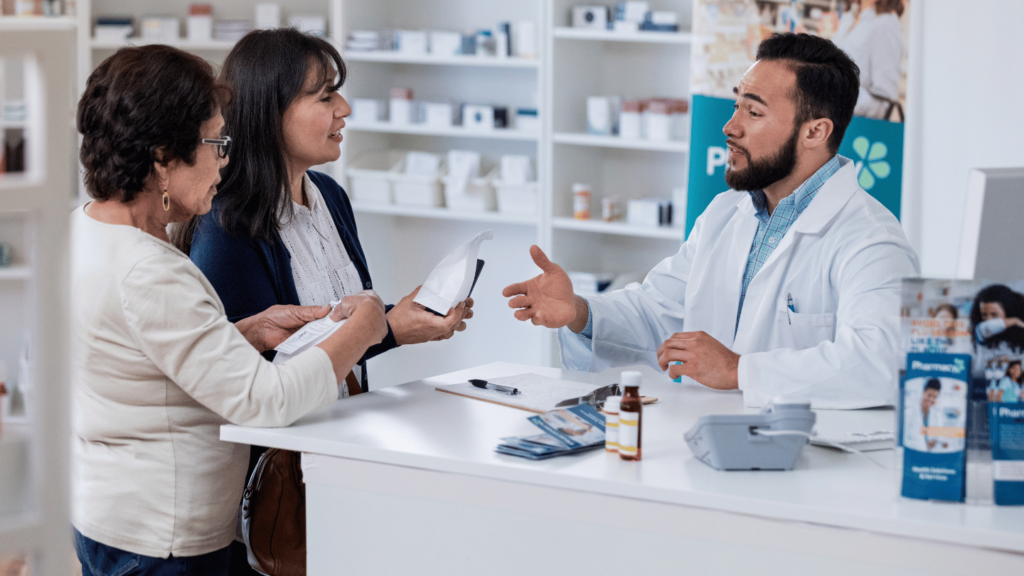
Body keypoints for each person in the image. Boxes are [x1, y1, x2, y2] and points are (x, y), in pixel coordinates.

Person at [71, 45, 387, 574]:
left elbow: (146, 363)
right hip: (164, 540)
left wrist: (245, 333)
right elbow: (265, 401)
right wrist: (365, 328)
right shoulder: (153, 271)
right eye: (216, 143)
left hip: (111, 517)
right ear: (162, 158)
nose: (224, 159)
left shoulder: (85, 231)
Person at [170, 28, 473, 573]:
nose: (345, 109)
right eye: (325, 96)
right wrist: (384, 329)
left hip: (341, 453)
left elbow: (338, 349)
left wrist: (398, 324)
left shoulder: (329, 196)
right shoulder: (228, 226)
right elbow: (256, 380)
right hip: (276, 490)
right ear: (271, 111)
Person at [502, 33, 919, 409]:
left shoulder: (870, 239)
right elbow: (657, 312)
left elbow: (882, 363)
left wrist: (739, 370)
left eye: (753, 113)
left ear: (815, 132)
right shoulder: (725, 212)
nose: (729, 126)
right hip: (705, 444)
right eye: (736, 104)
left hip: (803, 465)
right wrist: (578, 311)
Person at [830, 0, 904, 120]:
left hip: (855, 129)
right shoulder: (850, 18)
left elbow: (884, 101)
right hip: (832, 121)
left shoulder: (885, 25)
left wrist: (833, 97)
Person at [904, 378, 941, 452]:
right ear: (923, 393)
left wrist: (934, 443)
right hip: (913, 454)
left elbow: (937, 439)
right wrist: (920, 445)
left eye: (934, 397)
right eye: (929, 395)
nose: (931, 399)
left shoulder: (936, 416)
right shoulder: (909, 413)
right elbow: (904, 439)